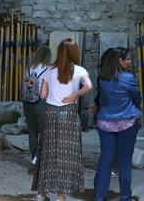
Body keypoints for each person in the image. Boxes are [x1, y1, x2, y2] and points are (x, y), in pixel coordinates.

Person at [33, 38, 93, 201]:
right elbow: (89, 86)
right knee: (66, 155)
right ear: (75, 52)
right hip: (69, 115)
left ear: (59, 51)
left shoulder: (49, 70)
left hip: (50, 114)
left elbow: (43, 95)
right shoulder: (80, 70)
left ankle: (41, 193)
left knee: (47, 152)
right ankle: (61, 196)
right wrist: (75, 94)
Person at [93, 47, 141, 201]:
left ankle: (99, 196)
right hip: (127, 123)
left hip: (105, 123)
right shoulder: (128, 79)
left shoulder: (102, 79)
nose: (129, 62)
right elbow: (137, 99)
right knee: (125, 161)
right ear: (119, 61)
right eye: (127, 59)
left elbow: (101, 99)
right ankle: (125, 197)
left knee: (106, 159)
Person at [23, 45, 53, 162]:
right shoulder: (49, 69)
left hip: (27, 102)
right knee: (45, 132)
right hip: (41, 103)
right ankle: (40, 159)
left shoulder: (29, 68)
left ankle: (33, 158)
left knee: (32, 131)